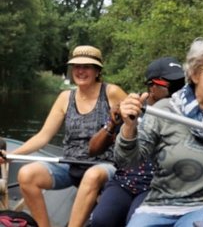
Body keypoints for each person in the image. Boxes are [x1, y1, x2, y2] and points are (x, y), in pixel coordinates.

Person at [115, 37, 203, 227]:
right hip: (159, 206)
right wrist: (129, 127)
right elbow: (128, 161)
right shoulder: (164, 110)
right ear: (195, 74)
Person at [0, 45, 128, 227]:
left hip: (105, 166)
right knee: (26, 174)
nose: (80, 71)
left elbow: (137, 125)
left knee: (92, 175)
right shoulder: (65, 97)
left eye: (87, 66)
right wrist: (10, 157)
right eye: (76, 66)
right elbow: (43, 136)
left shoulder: (112, 92)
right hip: (71, 164)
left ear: (97, 70)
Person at [89, 56, 186, 226]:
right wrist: (113, 123)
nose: (179, 91)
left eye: (183, 84)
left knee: (136, 222)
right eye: (173, 85)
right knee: (100, 220)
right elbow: (93, 150)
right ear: (152, 86)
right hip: (124, 181)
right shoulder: (131, 107)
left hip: (157, 187)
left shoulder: (186, 114)